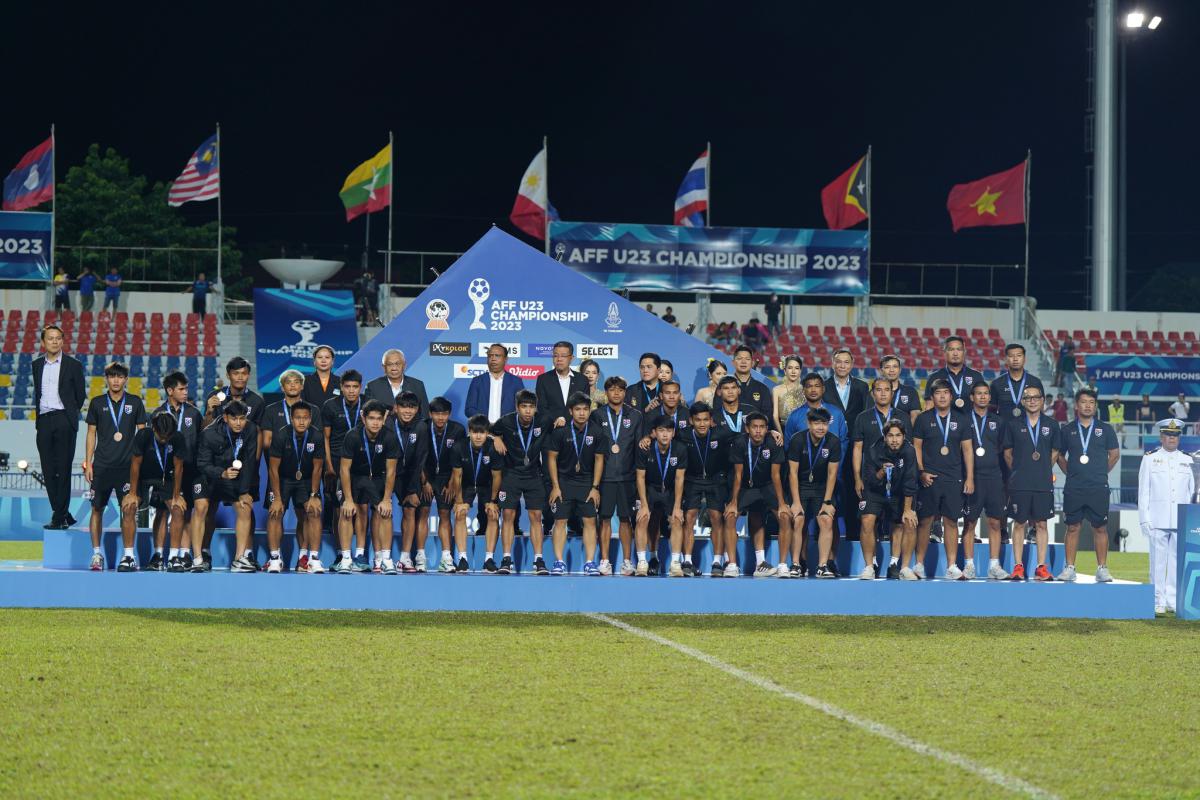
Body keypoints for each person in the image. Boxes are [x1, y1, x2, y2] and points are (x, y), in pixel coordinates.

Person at [82, 362, 148, 571]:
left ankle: (128, 556)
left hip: (127, 468)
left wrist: (141, 463)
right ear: (107, 379)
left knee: (129, 509)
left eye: (120, 377)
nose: (116, 380)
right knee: (96, 509)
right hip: (101, 466)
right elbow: (91, 433)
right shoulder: (97, 402)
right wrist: (88, 462)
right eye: (112, 376)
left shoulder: (135, 402)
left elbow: (143, 434)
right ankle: (96, 554)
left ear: (126, 379)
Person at [1054, 388, 1120, 582]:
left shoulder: (1105, 429)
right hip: (1074, 487)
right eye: (1084, 402)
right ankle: (1069, 568)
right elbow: (1059, 455)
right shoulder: (1067, 430)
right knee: (1072, 527)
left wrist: (1100, 472)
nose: (1088, 406)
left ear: (1095, 406)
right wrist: (1071, 472)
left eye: (1091, 402)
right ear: (1077, 405)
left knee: (1100, 527)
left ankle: (1102, 569)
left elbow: (1115, 454)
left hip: (1098, 487)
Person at [911, 379, 975, 581]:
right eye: (938, 393)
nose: (942, 396)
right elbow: (916, 447)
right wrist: (921, 472)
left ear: (951, 396)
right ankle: (919, 564)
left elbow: (967, 450)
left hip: (953, 478)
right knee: (925, 521)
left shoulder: (961, 419)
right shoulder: (923, 419)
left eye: (946, 392)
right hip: (929, 478)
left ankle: (951, 566)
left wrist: (969, 477)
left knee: (951, 521)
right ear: (932, 396)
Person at [261, 369, 323, 571]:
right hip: (281, 476)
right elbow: (272, 464)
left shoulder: (314, 423)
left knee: (311, 512)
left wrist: (314, 494)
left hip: (306, 476)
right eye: (289, 382)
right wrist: (277, 497)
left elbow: (317, 466)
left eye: (297, 382)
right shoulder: (278, 428)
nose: (301, 421)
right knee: (275, 512)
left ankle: (309, 558)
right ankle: (275, 558)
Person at [1002, 385, 1060, 582]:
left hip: (1042, 482)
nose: (1032, 401)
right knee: (1019, 523)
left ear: (1042, 400)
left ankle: (1041, 567)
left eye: (1036, 397)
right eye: (1028, 398)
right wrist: (1019, 470)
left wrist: (1042, 469)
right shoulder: (1013, 424)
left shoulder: (1052, 425)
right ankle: (1018, 566)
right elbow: (1007, 453)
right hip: (1020, 482)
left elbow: (1055, 452)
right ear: (1023, 402)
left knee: (1042, 524)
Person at [546, 392, 609, 575]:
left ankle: (589, 562)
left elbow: (599, 460)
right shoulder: (561, 432)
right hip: (564, 482)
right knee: (560, 521)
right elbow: (551, 459)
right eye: (578, 409)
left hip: (586, 482)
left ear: (590, 411)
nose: (582, 413)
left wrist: (595, 488)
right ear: (570, 411)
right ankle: (559, 562)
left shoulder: (597, 432)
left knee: (590, 521)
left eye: (585, 409)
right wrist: (555, 486)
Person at [1138, 419, 1195, 614]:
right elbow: (1143, 492)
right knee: (1157, 563)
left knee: (1177, 562)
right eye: (1168, 435)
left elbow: (1193, 492)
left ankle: (1173, 599)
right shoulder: (1150, 459)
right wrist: (1144, 518)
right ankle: (1157, 600)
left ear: (1179, 437)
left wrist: (1192, 520)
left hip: (1181, 520)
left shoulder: (1188, 460)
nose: (1172, 438)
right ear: (1161, 437)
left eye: (1175, 435)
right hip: (1157, 519)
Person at [33, 325, 86, 530]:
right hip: (44, 421)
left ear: (62, 341)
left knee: (63, 469)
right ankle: (62, 513)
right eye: (50, 338)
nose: (54, 341)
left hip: (64, 419)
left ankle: (59, 516)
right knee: (48, 470)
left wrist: (69, 414)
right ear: (43, 342)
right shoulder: (37, 364)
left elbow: (80, 395)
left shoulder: (73, 365)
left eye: (58, 338)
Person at [196, 400, 260, 572]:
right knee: (206, 509)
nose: (238, 423)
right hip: (210, 476)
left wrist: (244, 491)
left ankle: (239, 559)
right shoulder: (209, 434)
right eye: (234, 419)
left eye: (242, 418)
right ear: (225, 418)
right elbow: (202, 464)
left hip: (233, 476)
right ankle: (203, 553)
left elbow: (249, 461)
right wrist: (221, 473)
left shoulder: (251, 429)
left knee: (245, 507)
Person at [337, 400, 400, 573]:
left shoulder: (389, 437)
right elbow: (344, 469)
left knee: (385, 512)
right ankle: (346, 559)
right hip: (353, 476)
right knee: (347, 512)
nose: (375, 423)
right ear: (363, 419)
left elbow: (391, 471)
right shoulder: (352, 436)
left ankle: (386, 560)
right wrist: (348, 499)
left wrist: (386, 499)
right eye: (371, 418)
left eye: (379, 419)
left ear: (383, 419)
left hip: (377, 477)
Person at [851, 379, 911, 557]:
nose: (883, 393)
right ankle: (871, 564)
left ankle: (894, 562)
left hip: (898, 480)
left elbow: (910, 449)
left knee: (897, 523)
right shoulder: (862, 417)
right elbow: (857, 449)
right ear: (872, 394)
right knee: (868, 521)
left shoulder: (903, 417)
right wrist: (857, 478)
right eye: (879, 390)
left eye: (887, 390)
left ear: (893, 393)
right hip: (872, 479)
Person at [490, 390, 548, 574]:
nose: (528, 411)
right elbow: (487, 431)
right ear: (517, 407)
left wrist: (561, 420)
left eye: (531, 407)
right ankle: (506, 559)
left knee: (536, 516)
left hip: (533, 474)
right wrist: (495, 437)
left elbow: (560, 423)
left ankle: (538, 560)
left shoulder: (543, 421)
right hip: (511, 474)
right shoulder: (506, 422)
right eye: (524, 407)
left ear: (536, 408)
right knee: (508, 514)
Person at [590, 376, 643, 575]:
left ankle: (627, 561)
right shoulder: (597, 415)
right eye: (612, 390)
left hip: (627, 477)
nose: (616, 393)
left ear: (625, 392)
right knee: (604, 519)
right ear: (606, 393)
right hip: (605, 477)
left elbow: (639, 448)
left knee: (625, 519)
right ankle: (605, 561)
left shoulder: (635, 416)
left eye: (620, 390)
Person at [726, 412, 790, 577]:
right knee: (730, 516)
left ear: (767, 429)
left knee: (784, 517)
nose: (758, 431)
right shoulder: (740, 443)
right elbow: (738, 475)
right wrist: (733, 502)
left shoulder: (774, 443)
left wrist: (782, 503)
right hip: (746, 487)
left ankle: (782, 565)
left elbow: (776, 475)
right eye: (754, 427)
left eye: (762, 427)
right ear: (747, 429)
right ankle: (732, 565)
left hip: (767, 486)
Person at [124, 412, 187, 572]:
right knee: (129, 507)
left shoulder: (178, 437)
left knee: (178, 510)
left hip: (166, 477)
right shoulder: (143, 435)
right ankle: (128, 557)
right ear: (153, 428)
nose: (164, 440)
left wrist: (176, 496)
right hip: (143, 476)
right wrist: (132, 493)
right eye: (161, 436)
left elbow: (179, 468)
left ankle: (173, 558)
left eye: (168, 436)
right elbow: (135, 464)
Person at [155, 371, 205, 572]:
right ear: (170, 390)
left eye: (186, 389)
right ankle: (158, 554)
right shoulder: (157, 414)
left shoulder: (194, 413)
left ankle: (183, 554)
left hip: (189, 470)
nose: (186, 392)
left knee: (186, 511)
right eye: (181, 389)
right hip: (164, 473)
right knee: (161, 512)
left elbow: (200, 442)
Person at [960, 382, 1010, 581]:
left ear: (990, 397)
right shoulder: (964, 420)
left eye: (986, 394)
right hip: (972, 478)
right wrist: (967, 477)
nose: (982, 397)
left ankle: (994, 566)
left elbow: (1004, 451)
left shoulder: (998, 421)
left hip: (994, 477)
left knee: (995, 522)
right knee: (970, 522)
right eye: (978, 394)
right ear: (971, 397)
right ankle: (969, 565)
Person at [681, 402, 736, 577]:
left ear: (711, 421)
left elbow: (744, 435)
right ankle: (687, 561)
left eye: (706, 420)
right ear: (691, 421)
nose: (702, 424)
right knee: (689, 517)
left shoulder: (721, 434)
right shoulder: (682, 435)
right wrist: (647, 437)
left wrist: (772, 432)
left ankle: (717, 562)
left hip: (715, 479)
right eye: (698, 420)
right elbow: (660, 434)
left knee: (716, 518)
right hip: (692, 479)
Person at [859, 419, 918, 579]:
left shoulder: (909, 451)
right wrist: (881, 473)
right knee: (867, 520)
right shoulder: (873, 450)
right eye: (890, 436)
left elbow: (910, 480)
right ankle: (869, 566)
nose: (894, 440)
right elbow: (869, 480)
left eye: (898, 436)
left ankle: (900, 566)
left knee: (909, 521)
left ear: (904, 437)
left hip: (899, 492)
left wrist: (907, 510)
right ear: (885, 437)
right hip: (876, 492)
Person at [323, 369, 369, 571]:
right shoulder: (330, 406)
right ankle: (342, 553)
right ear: (341, 387)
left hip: (361, 463)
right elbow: (325, 437)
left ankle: (360, 554)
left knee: (362, 507)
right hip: (336, 462)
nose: (351, 391)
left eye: (355, 387)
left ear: (360, 387)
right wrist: (329, 466)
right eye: (347, 387)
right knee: (339, 509)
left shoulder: (367, 404)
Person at [786, 407, 841, 578]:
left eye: (824, 423)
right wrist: (796, 502)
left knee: (826, 520)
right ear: (809, 424)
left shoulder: (833, 441)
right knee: (798, 519)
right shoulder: (797, 440)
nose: (821, 427)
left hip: (822, 487)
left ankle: (822, 566)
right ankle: (796, 564)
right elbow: (792, 473)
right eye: (817, 423)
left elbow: (832, 474)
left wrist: (827, 502)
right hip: (800, 485)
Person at [634, 416, 688, 576]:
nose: (665, 434)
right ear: (654, 433)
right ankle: (642, 562)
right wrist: (644, 505)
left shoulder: (680, 449)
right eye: (661, 430)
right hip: (650, 488)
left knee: (677, 520)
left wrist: (677, 507)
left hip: (670, 490)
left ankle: (675, 564)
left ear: (673, 433)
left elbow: (679, 479)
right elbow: (640, 477)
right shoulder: (645, 449)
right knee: (643, 518)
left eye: (669, 431)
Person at [418, 396, 465, 573]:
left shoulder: (458, 430)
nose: (440, 417)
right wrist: (424, 482)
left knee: (444, 514)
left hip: (447, 477)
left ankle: (446, 558)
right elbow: (418, 458)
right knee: (423, 512)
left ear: (449, 414)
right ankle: (420, 557)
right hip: (425, 475)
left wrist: (452, 482)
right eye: (436, 414)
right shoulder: (422, 427)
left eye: (444, 414)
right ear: (430, 414)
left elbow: (459, 460)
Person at [449, 415, 499, 573]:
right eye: (475, 432)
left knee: (492, 514)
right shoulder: (459, 447)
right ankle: (462, 559)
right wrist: (459, 502)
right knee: (460, 514)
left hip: (487, 484)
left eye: (482, 432)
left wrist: (493, 501)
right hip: (467, 484)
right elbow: (457, 476)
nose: (478, 436)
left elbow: (497, 476)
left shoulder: (493, 447)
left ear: (487, 433)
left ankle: (489, 559)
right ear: (469, 432)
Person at [391, 392, 431, 573]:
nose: (407, 411)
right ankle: (381, 557)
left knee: (410, 509)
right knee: (380, 511)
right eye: (403, 407)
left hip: (410, 474)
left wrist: (413, 490)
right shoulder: (388, 423)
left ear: (417, 409)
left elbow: (419, 460)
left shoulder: (421, 427)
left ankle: (405, 557)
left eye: (412, 407)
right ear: (396, 408)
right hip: (388, 472)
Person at [533, 341, 588, 430]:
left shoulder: (582, 380)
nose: (559, 359)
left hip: (575, 430)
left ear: (571, 358)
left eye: (563, 356)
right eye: (555, 355)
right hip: (551, 429)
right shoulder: (543, 379)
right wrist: (556, 419)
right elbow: (542, 407)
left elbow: (584, 407)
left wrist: (565, 419)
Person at [784, 372, 848, 445]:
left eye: (817, 386)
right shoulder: (794, 416)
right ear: (803, 390)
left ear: (823, 389)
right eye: (809, 386)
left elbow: (843, 441)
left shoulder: (836, 413)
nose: (813, 390)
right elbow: (788, 443)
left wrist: (836, 453)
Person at [466, 343, 523, 422]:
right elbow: (469, 409)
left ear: (506, 359)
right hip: (483, 428)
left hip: (507, 428)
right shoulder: (477, 381)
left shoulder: (516, 381)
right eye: (490, 356)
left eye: (497, 355)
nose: (493, 358)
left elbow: (522, 407)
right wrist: (483, 423)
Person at [926, 336, 986, 410]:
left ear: (964, 352)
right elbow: (929, 406)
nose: (955, 353)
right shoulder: (934, 377)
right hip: (944, 417)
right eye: (951, 349)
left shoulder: (976, 376)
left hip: (970, 417)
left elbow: (982, 406)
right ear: (944, 352)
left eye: (959, 349)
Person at [366, 349, 430, 418]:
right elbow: (368, 415)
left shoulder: (418, 385)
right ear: (383, 367)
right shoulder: (373, 387)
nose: (394, 368)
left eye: (397, 363)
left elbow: (425, 416)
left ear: (404, 365)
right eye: (390, 364)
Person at [989, 343, 1044, 419]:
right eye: (1011, 356)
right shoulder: (996, 384)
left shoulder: (1035, 382)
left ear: (1024, 359)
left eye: (1019, 355)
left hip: (1028, 426)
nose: (1015, 359)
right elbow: (991, 412)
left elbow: (1040, 409)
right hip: (1004, 426)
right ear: (1006, 360)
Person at [731, 345, 774, 424]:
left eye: (747, 359)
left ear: (752, 363)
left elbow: (768, 416)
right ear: (733, 363)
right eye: (739, 359)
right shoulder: (724, 387)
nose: (743, 362)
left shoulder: (763, 389)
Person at [879, 354, 922, 425]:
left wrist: (906, 431)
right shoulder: (874, 393)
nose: (891, 370)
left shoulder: (911, 392)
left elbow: (915, 416)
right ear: (881, 371)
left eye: (895, 367)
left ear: (900, 370)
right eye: (887, 367)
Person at [772, 355, 804, 433]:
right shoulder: (776, 390)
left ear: (800, 371)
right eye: (790, 368)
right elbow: (775, 416)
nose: (793, 371)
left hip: (803, 430)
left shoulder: (805, 389)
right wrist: (781, 434)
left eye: (797, 368)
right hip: (783, 430)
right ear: (785, 370)